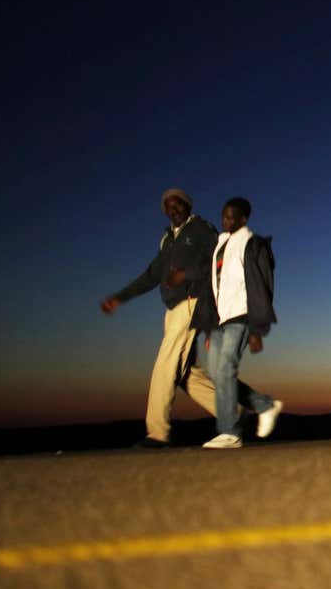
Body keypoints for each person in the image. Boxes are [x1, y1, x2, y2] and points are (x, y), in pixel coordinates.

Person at [100, 188, 266, 447]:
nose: (172, 209)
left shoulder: (200, 229)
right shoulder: (167, 239)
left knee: (166, 363)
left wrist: (188, 275)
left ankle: (157, 433)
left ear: (188, 206)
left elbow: (219, 259)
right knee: (187, 375)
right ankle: (234, 412)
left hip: (193, 302)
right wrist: (120, 297)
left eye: (177, 204)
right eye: (167, 206)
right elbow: (151, 275)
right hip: (173, 308)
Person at [191, 197, 284, 449]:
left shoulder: (254, 245)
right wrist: (209, 326)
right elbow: (214, 286)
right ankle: (264, 405)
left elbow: (263, 286)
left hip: (242, 316)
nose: (226, 220)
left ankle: (230, 432)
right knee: (216, 372)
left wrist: (257, 329)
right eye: (224, 216)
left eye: (232, 216)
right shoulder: (220, 244)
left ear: (244, 219)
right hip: (219, 320)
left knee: (225, 369)